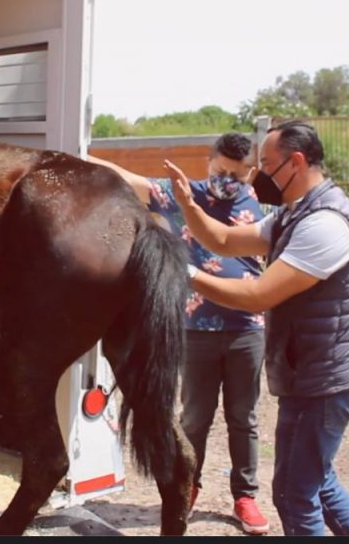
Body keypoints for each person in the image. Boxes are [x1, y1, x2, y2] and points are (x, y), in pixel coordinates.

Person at [163, 120, 349, 536]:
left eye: (267, 164)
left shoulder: (325, 224)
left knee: (297, 498)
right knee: (317, 484)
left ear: (296, 163)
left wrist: (184, 273)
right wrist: (188, 205)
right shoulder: (294, 214)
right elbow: (224, 239)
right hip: (308, 377)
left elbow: (259, 294)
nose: (258, 175)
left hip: (327, 382)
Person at [88, 132, 271, 535]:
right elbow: (129, 179)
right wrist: (83, 154)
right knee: (195, 417)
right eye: (221, 171)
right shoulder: (183, 195)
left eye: (236, 175)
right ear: (209, 163)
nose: (227, 180)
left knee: (244, 418)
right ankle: (188, 485)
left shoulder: (260, 205)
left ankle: (245, 496)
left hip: (247, 328)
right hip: (197, 328)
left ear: (250, 173)